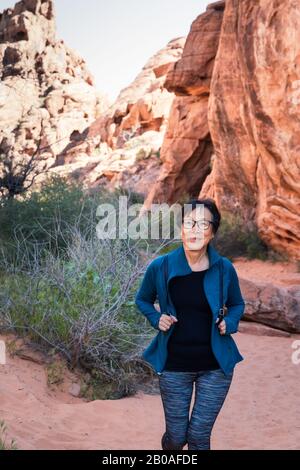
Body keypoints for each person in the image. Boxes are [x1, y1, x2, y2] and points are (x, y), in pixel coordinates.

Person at [135, 198, 245, 450]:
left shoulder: (224, 269)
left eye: (203, 224)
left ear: (213, 231)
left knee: (198, 437)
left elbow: (238, 304)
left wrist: (230, 322)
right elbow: (142, 300)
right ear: (181, 228)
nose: (195, 229)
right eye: (190, 222)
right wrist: (156, 318)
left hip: (215, 367)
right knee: (176, 439)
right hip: (175, 366)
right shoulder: (160, 267)